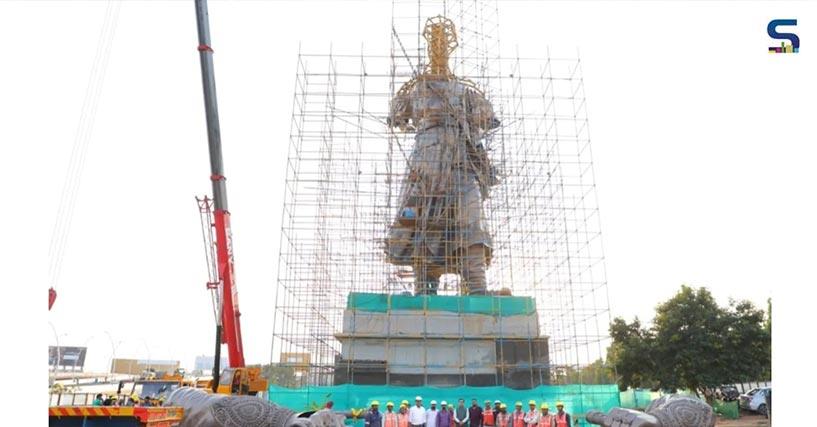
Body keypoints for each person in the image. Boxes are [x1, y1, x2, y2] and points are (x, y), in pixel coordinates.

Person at [385, 16, 500, 296]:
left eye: (443, 42)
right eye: (433, 41)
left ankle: (477, 288)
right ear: (427, 46)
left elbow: (487, 119)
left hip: (461, 162)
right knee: (422, 222)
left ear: (451, 46)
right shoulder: (415, 89)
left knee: (471, 217)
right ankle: (424, 290)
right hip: (426, 164)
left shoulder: (465, 90)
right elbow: (396, 118)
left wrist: (480, 112)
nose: (438, 47)